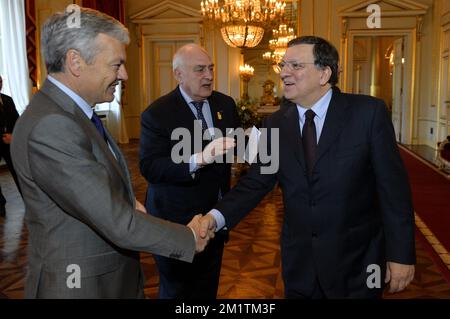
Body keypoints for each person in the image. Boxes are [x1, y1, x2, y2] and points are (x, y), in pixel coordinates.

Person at [10, 7, 212, 299]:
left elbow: (90, 189)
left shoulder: (73, 114)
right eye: (116, 64)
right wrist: (189, 237)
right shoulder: (52, 124)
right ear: (75, 62)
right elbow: (115, 220)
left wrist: (129, 201)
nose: (124, 75)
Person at [201, 36, 416, 298]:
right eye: (283, 65)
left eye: (296, 65)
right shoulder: (276, 123)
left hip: (358, 263)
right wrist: (214, 217)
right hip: (300, 265)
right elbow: (256, 182)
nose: (284, 73)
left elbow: (393, 191)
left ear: (324, 73)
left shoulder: (368, 113)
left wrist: (401, 255)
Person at [139, 43, 239, 299]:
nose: (208, 76)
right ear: (178, 74)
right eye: (199, 70)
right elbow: (150, 167)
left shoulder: (225, 105)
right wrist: (198, 160)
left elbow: (235, 146)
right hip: (175, 222)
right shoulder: (157, 114)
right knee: (178, 291)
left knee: (208, 289)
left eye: (210, 68)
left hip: (215, 219)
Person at [0, 75, 21, 217]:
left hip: (10, 143)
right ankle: (0, 205)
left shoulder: (8, 99)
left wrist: (13, 135)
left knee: (18, 172)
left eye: (0, 81)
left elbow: (17, 120)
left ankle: (30, 201)